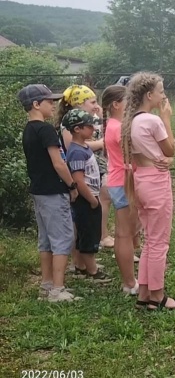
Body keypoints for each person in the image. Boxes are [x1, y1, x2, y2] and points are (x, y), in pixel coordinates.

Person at [122, 72, 175, 311]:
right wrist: (166, 118)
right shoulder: (152, 120)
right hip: (156, 183)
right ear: (149, 95)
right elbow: (169, 150)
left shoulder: (134, 121)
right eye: (160, 90)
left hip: (141, 181)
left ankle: (144, 293)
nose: (163, 95)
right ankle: (157, 297)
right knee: (159, 242)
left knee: (150, 240)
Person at [19, 84, 81, 302]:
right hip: (54, 191)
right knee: (63, 237)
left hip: (39, 191)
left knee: (45, 239)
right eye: (49, 101)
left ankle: (46, 285)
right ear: (36, 104)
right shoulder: (45, 130)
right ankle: (57, 288)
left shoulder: (28, 130)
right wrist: (72, 186)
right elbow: (59, 163)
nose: (53, 105)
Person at [102, 84, 145, 296]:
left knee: (122, 234)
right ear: (116, 104)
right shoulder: (118, 128)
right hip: (124, 182)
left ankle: (128, 281)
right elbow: (133, 155)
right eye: (127, 100)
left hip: (117, 181)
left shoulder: (111, 124)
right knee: (125, 235)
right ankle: (130, 282)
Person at [62, 109, 111, 282]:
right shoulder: (76, 152)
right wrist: (92, 200)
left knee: (87, 232)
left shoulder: (83, 147)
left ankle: (81, 265)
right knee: (89, 235)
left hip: (91, 197)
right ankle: (92, 271)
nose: (92, 129)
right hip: (86, 200)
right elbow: (79, 180)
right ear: (77, 129)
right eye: (88, 126)